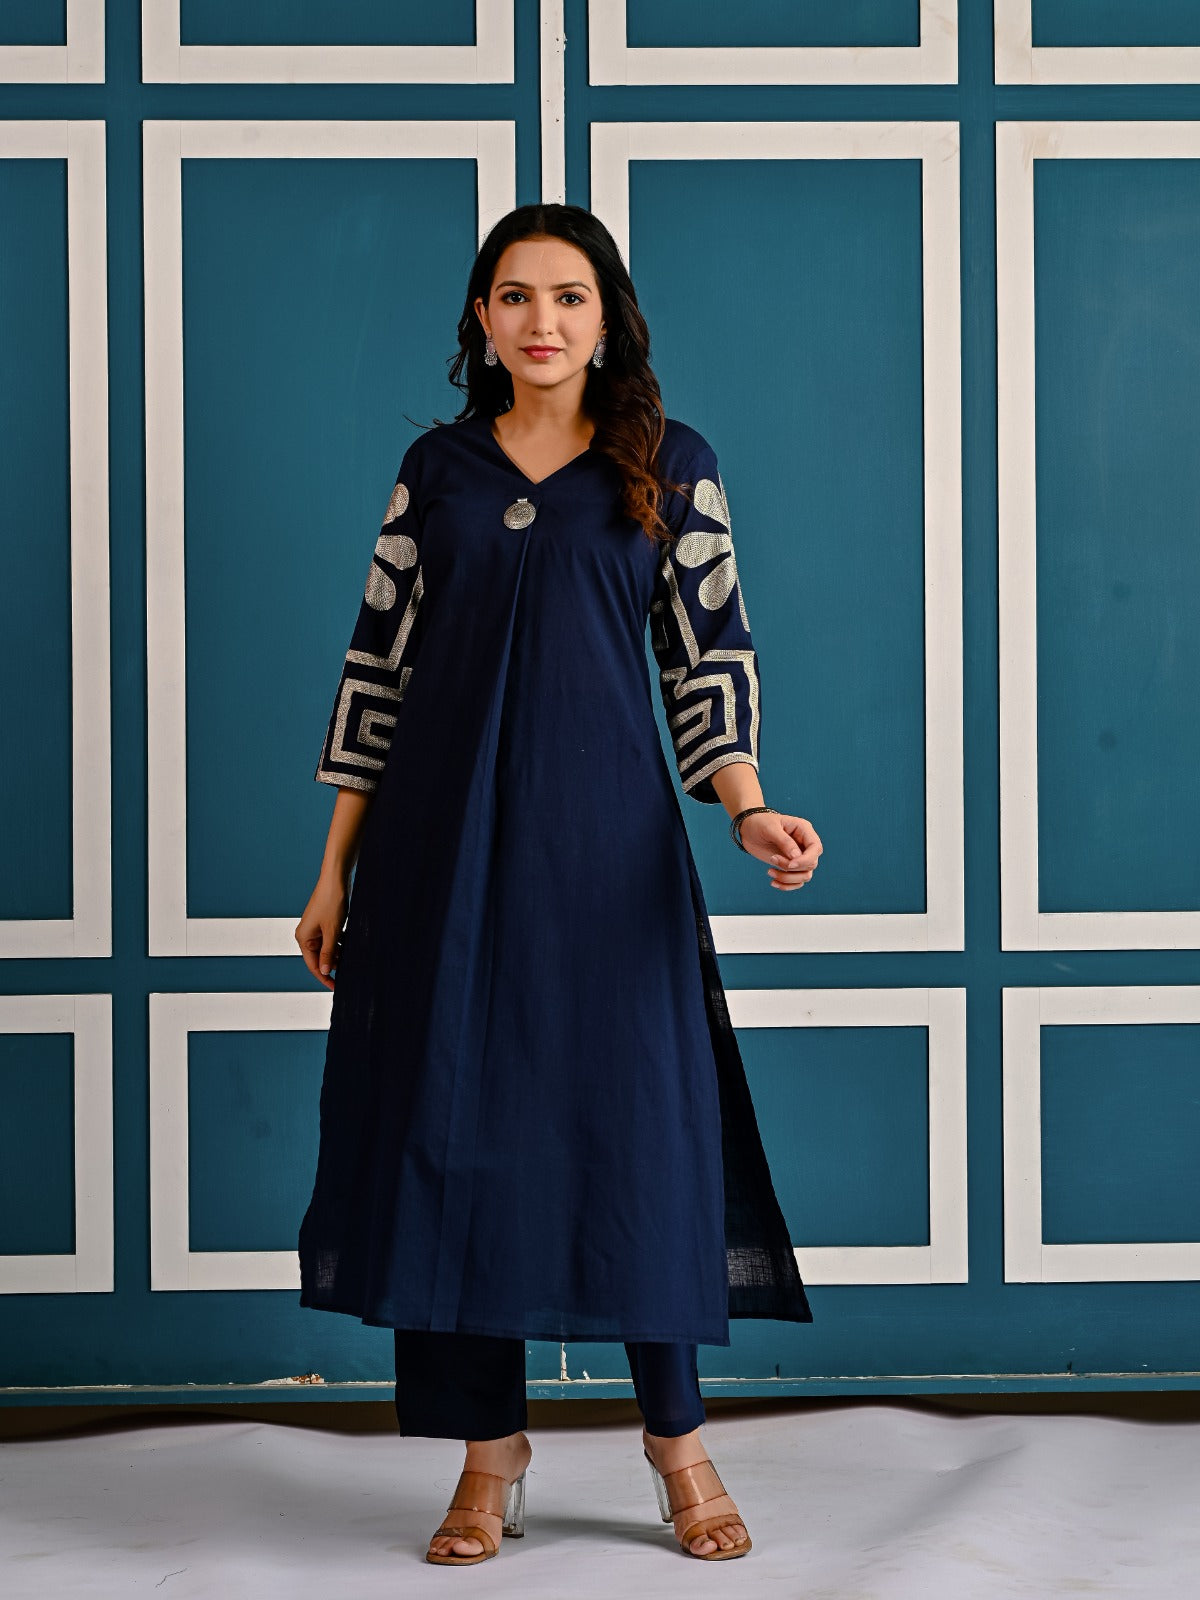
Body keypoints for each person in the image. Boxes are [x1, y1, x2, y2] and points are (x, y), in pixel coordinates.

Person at [294, 203, 823, 1566]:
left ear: (606, 320)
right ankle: (489, 1454)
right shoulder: (437, 470)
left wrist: (750, 812)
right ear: (482, 318)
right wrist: (334, 870)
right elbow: (378, 666)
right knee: (452, 1129)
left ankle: (677, 1443)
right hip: (434, 852)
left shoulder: (669, 464)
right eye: (517, 296)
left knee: (640, 1135)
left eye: (569, 297)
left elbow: (709, 657)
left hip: (603, 850)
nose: (543, 320)